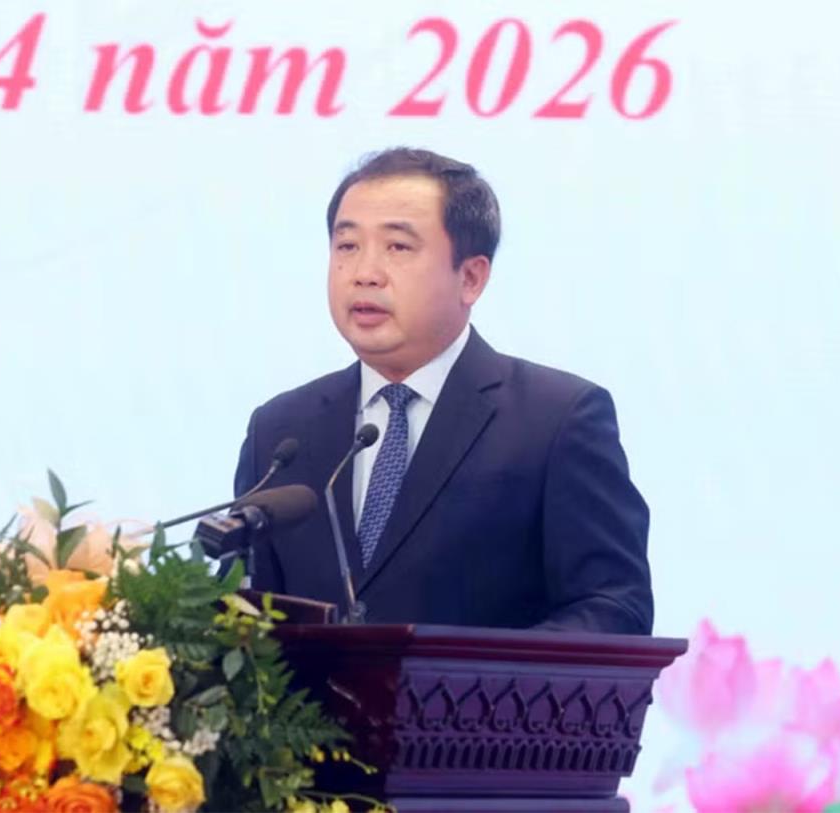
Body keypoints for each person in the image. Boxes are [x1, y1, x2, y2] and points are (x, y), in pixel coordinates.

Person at [233, 148, 652, 634]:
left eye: (398, 247)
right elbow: (243, 613)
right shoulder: (281, 431)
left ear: (470, 278)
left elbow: (615, 607)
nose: (365, 273)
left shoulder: (556, 420)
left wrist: (482, 672)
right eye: (347, 246)